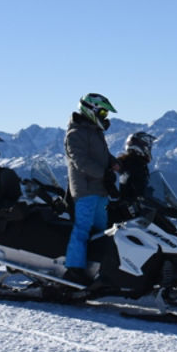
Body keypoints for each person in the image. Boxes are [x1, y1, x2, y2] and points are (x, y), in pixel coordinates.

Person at [64, 93, 118, 284]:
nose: (105, 116)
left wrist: (114, 163)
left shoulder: (94, 131)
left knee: (100, 231)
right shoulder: (75, 133)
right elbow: (81, 162)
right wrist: (104, 173)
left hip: (100, 189)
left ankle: (96, 267)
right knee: (82, 229)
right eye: (102, 111)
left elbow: (104, 154)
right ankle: (73, 269)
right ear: (91, 109)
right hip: (85, 189)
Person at [110, 131, 156, 223]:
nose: (149, 148)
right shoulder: (132, 163)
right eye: (148, 145)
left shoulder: (133, 162)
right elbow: (136, 186)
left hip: (132, 208)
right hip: (130, 210)